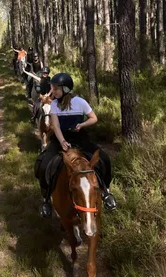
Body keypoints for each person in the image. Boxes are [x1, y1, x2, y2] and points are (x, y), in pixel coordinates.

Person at [35, 73, 117, 217]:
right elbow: (55, 125)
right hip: (60, 139)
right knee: (43, 164)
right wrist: (62, 142)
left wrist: (82, 125)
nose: (53, 92)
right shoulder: (54, 104)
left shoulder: (80, 102)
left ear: (65, 89)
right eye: (52, 88)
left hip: (80, 138)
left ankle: (106, 192)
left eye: (55, 89)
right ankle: (46, 199)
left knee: (104, 159)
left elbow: (94, 118)